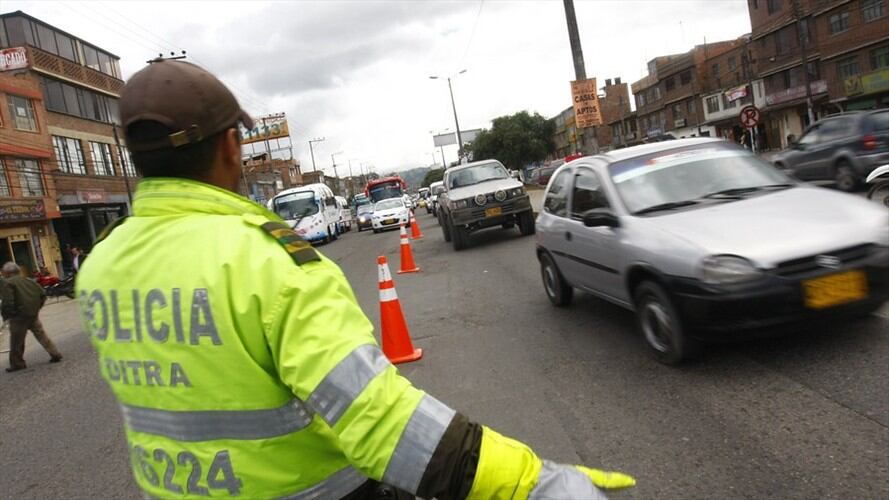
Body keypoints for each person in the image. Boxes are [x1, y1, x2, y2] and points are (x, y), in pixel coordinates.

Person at [75, 59, 635, 499]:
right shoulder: (268, 262)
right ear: (230, 144)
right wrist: (528, 481)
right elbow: (379, 422)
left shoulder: (101, 264)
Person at [2, 262, 62, 372]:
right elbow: (42, 294)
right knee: (41, 335)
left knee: (16, 341)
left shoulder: (8, 283)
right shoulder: (28, 280)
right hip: (32, 314)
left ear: (7, 273)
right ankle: (55, 353)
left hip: (18, 317)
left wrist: (7, 315)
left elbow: (7, 302)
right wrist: (37, 308)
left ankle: (17, 363)